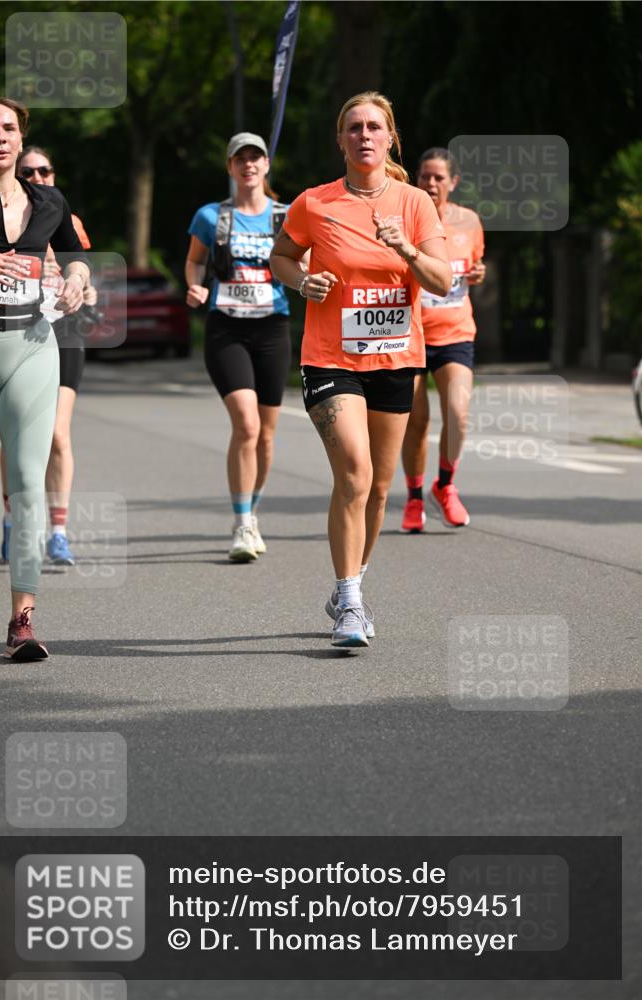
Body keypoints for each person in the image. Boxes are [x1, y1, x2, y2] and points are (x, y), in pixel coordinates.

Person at [270, 92, 451, 647]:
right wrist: (303, 281)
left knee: (377, 489)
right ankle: (350, 601)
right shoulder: (314, 203)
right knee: (354, 469)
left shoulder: (417, 203)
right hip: (330, 357)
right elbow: (280, 257)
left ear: (391, 137)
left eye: (375, 127)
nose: (365, 135)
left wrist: (408, 251)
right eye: (354, 127)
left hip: (396, 358)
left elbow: (442, 281)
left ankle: (352, 582)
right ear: (341, 139)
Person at [0, 96, 89, 658]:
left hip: (32, 345)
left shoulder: (49, 199)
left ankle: (22, 618)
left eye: (9, 129)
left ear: (21, 140)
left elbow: (73, 254)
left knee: (26, 485)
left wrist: (74, 278)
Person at [184, 132, 292, 562]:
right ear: (230, 167)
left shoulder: (286, 217)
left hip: (272, 329)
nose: (248, 165)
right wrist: (194, 286)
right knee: (246, 425)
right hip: (226, 329)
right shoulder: (211, 217)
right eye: (240, 159)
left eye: (256, 158)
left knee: (266, 435)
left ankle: (253, 509)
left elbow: (303, 261)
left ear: (266, 166)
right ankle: (242, 522)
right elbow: (195, 260)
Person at [0, 145, 96, 567]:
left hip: (64, 327)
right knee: (14, 429)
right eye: (29, 172)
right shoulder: (3, 214)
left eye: (44, 170)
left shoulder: (65, 216)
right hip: (17, 323)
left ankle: (57, 530)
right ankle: (10, 520)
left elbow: (81, 265)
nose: (37, 177)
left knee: (57, 434)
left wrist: (83, 286)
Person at [400, 148, 485, 532]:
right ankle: (415, 498)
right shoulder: (406, 217)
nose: (431, 184)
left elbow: (471, 266)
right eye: (424, 177)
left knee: (458, 412)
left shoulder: (469, 221)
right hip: (410, 333)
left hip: (455, 332)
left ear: (453, 182)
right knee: (415, 421)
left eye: (438, 178)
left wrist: (478, 274)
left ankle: (445, 486)